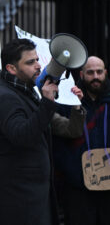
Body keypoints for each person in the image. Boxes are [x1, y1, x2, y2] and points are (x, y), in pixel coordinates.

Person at [0, 38, 60, 225]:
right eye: (30, 62)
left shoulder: (23, 93)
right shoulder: (4, 98)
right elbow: (22, 136)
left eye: (37, 60)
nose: (38, 66)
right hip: (17, 201)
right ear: (11, 69)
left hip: (31, 197)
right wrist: (47, 103)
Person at [59, 56, 110, 225]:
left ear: (105, 73)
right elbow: (61, 135)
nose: (95, 76)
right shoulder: (69, 100)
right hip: (78, 187)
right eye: (90, 72)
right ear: (81, 74)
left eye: (99, 72)